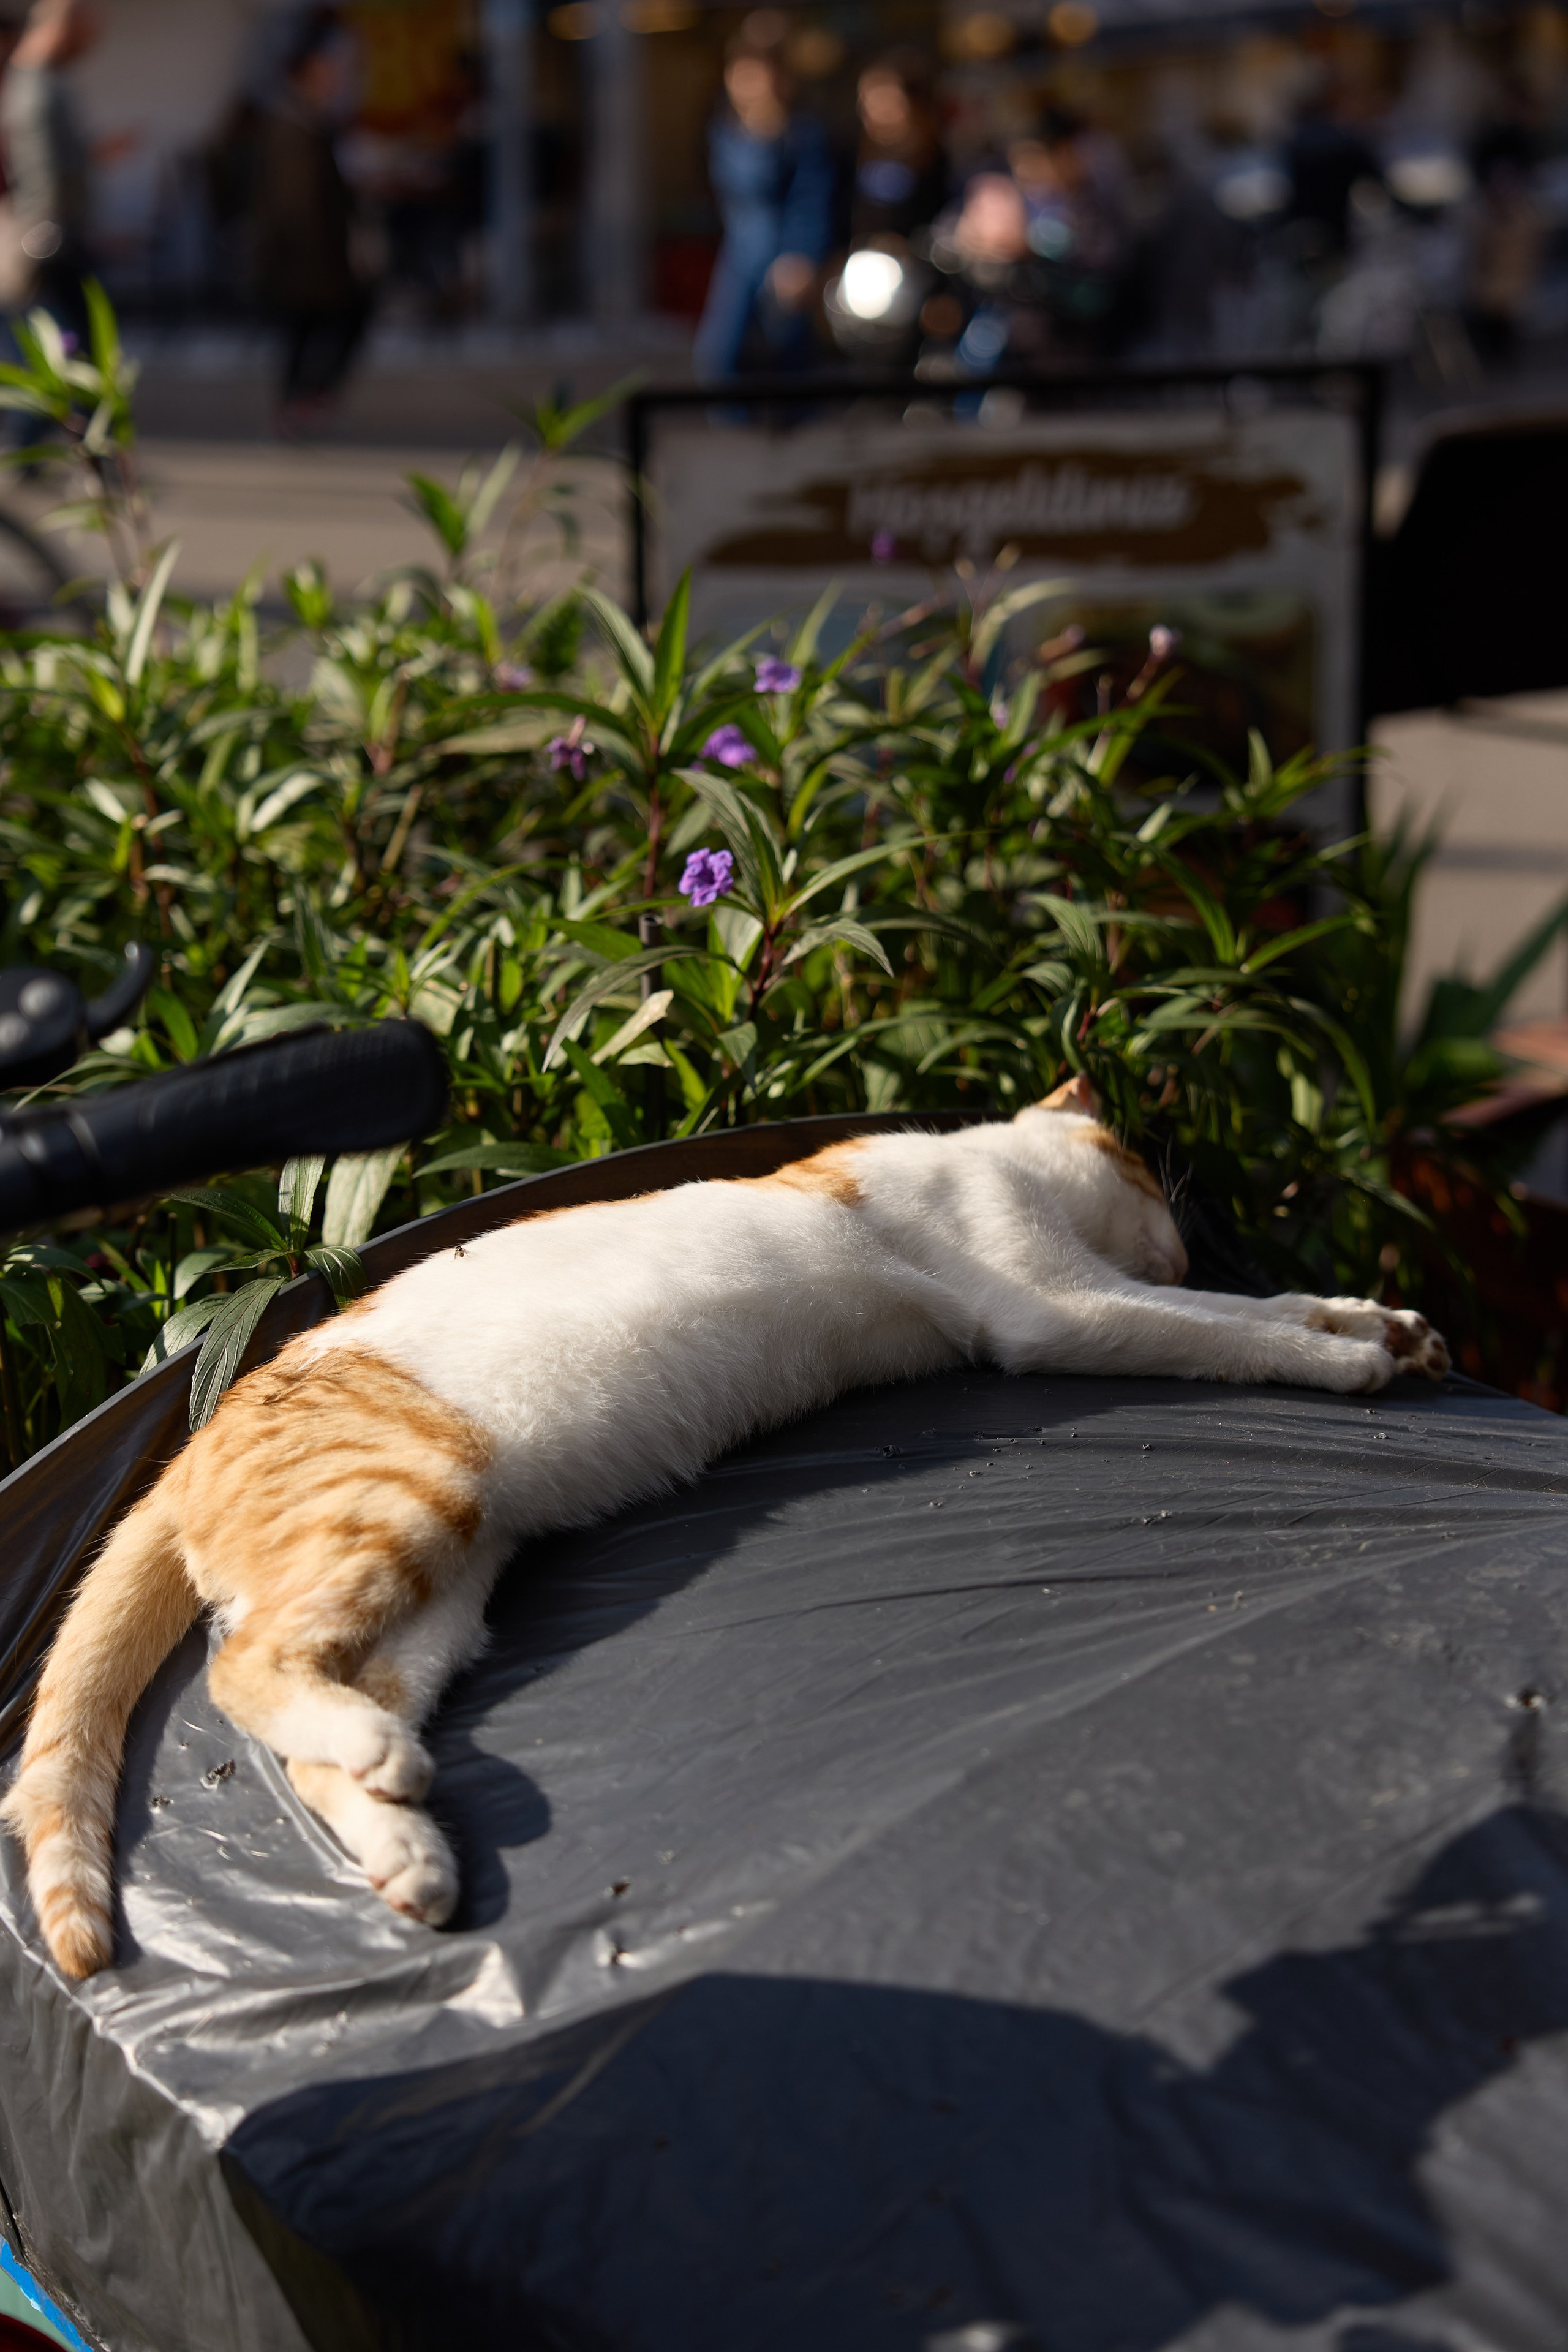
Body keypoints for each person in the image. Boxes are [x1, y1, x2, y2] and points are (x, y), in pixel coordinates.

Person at [693, 18, 834, 383]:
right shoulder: (725, 131)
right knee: (722, 356)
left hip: (785, 259)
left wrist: (801, 256)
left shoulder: (802, 134)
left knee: (788, 359)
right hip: (741, 254)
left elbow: (811, 202)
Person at [252, 6, 369, 437]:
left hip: (313, 258)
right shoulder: (293, 125)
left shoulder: (311, 121)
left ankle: (302, 400)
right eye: (326, 69)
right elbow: (296, 205)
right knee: (315, 327)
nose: (334, 78)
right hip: (305, 259)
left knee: (309, 332)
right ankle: (301, 402)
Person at [0, 0, 100, 348]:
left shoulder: (32, 82)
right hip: (49, 243)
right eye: (84, 36)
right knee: (60, 347)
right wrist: (46, 241)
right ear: (64, 30)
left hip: (49, 239)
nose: (87, 47)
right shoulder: (35, 89)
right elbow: (41, 175)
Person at [850, 49, 945, 249]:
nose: (874, 113)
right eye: (866, 101)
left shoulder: (940, 164)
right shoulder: (850, 159)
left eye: (885, 100)